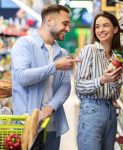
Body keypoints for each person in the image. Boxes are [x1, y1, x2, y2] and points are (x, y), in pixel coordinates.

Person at [11, 4, 80, 150]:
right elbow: (22, 77)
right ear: (49, 21)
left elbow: (65, 85)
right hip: (27, 126)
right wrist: (54, 67)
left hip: (52, 126)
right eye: (65, 23)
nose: (68, 29)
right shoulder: (24, 45)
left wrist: (50, 108)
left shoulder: (61, 52)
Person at [75, 11, 123, 150]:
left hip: (111, 112)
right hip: (92, 110)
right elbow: (79, 86)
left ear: (115, 29)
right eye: (97, 26)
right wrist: (102, 80)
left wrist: (114, 81)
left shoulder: (117, 57)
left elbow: (116, 95)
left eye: (105, 26)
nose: (100, 30)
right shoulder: (89, 50)